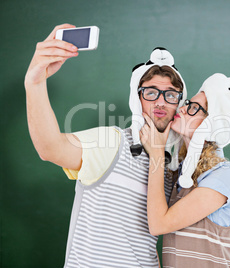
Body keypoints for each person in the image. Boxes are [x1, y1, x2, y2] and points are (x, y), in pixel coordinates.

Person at [24, 24, 187, 267]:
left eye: (171, 94)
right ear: (137, 97)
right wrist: (35, 82)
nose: (161, 102)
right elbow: (50, 148)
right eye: (151, 92)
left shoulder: (175, 168)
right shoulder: (113, 142)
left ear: (179, 104)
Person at [140, 73, 230, 267]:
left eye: (193, 108)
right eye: (188, 103)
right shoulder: (181, 173)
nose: (182, 109)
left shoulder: (224, 174)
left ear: (213, 123)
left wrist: (157, 154)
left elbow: (159, 225)